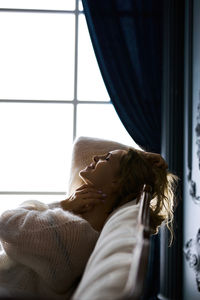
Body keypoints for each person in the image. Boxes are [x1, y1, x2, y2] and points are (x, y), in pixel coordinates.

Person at [0, 148, 177, 299]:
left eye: (106, 158)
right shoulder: (82, 231)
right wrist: (143, 158)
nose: (95, 157)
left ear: (118, 182)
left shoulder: (73, 233)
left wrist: (64, 205)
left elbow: (6, 221)